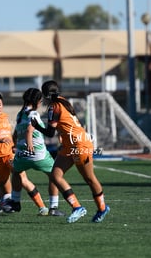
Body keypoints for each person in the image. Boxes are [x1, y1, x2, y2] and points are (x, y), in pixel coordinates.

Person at [31, 80, 110, 223]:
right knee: (55, 176)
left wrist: (36, 126)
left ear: (46, 95)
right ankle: (77, 207)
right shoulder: (63, 101)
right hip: (70, 145)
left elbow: (49, 132)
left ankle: (102, 208)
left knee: (89, 178)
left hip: (78, 145)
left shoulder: (54, 107)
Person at [2, 88, 65, 216]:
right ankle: (53, 207)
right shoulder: (34, 114)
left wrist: (14, 145)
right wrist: (30, 143)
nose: (41, 103)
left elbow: (16, 132)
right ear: (37, 101)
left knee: (16, 172)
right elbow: (30, 130)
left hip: (22, 154)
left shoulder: (20, 114)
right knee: (55, 176)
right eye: (41, 100)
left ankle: (15, 202)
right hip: (38, 154)